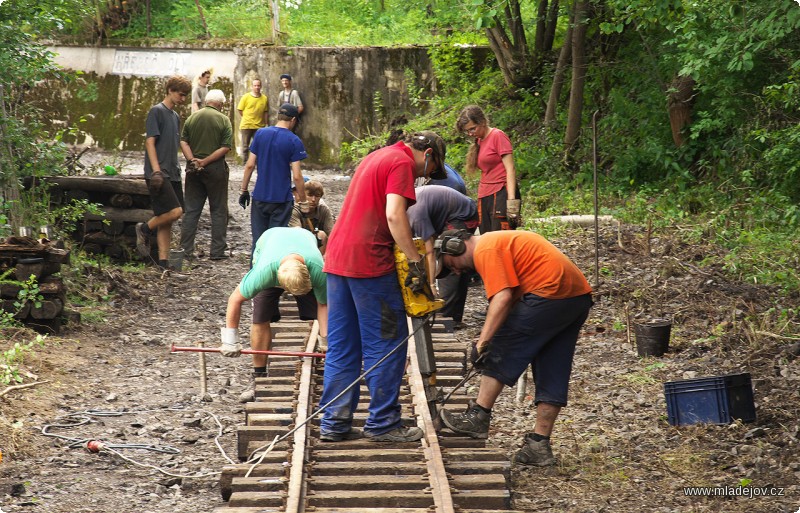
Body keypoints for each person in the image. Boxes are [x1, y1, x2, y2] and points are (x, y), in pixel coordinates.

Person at [319, 130, 447, 443]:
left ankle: (334, 423)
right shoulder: (401, 163)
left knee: (342, 344)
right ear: (428, 154)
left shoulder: (377, 155)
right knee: (386, 341)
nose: (426, 177)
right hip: (369, 262)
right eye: (432, 170)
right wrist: (415, 259)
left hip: (337, 258)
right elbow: (393, 214)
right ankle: (383, 423)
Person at [434, 229, 593, 466]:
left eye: (450, 266)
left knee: (500, 348)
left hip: (548, 292)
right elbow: (512, 298)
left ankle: (478, 416)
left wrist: (483, 342)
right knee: (553, 365)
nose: (455, 272)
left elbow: (502, 298)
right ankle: (539, 444)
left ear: (457, 246)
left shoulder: (485, 248)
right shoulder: (499, 242)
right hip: (575, 297)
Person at [220, 227, 327, 402]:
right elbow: (235, 300)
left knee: (318, 309)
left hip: (303, 244)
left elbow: (324, 304)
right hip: (270, 241)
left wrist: (326, 340)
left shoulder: (317, 269)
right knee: (261, 316)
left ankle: (329, 368)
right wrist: (230, 339)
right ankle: (258, 376)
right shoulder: (264, 272)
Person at [135, 75, 191, 270]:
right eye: (181, 94)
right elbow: (150, 142)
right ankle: (143, 228)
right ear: (170, 90)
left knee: (168, 218)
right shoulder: (156, 111)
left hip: (173, 172)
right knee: (176, 211)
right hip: (159, 173)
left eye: (186, 96)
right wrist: (156, 171)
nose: (183, 99)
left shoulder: (175, 116)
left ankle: (163, 263)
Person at [238, 103, 309, 254]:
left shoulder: (260, 134)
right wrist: (303, 201)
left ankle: (254, 274)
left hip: (260, 197)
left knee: (258, 242)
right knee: (276, 242)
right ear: (293, 120)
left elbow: (250, 165)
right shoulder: (294, 140)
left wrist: (243, 190)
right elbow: (297, 176)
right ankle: (272, 275)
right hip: (281, 200)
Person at [406, 184, 478, 326]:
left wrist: (432, 284)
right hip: (452, 212)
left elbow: (429, 252)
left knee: (451, 260)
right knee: (455, 266)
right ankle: (454, 317)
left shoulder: (416, 216)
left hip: (462, 215)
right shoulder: (405, 210)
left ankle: (446, 315)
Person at [179, 89, 233, 260]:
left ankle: (185, 251)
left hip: (193, 170)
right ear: (220, 104)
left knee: (192, 210)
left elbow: (183, 141)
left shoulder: (192, 117)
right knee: (218, 210)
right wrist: (206, 161)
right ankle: (217, 252)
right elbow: (225, 147)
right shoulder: (224, 120)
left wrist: (193, 160)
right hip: (215, 169)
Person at [456, 105, 521, 233]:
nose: (470, 134)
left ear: (482, 122)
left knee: (501, 235)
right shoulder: (479, 140)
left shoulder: (498, 136)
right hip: (485, 193)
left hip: (501, 191)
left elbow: (510, 169)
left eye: (472, 129)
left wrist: (512, 201)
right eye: (467, 131)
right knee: (486, 235)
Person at [289, 179, 335, 255]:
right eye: (310, 195)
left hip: (320, 246)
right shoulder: (295, 210)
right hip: (299, 246)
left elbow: (332, 234)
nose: (313, 200)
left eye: (317, 196)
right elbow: (297, 235)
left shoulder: (323, 210)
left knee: (322, 235)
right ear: (303, 195)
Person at [237, 78, 268, 163]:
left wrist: (266, 124)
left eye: (258, 85)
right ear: (252, 87)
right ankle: (245, 162)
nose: (257, 87)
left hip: (259, 126)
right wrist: (246, 117)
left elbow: (265, 112)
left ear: (261, 86)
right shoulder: (246, 97)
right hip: (246, 125)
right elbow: (240, 109)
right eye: (255, 85)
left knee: (258, 145)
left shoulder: (264, 98)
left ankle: (257, 162)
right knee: (245, 146)